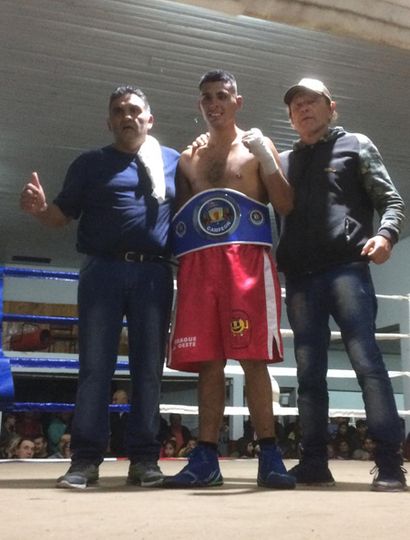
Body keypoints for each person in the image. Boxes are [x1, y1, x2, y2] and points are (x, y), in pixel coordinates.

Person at [20, 85, 179, 489]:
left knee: (148, 371)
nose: (127, 116)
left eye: (134, 109)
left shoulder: (174, 162)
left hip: (153, 274)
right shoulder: (90, 164)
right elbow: (60, 217)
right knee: (94, 369)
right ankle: (85, 461)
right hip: (102, 273)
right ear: (108, 121)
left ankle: (145, 460)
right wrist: (40, 210)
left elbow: (195, 211)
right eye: (118, 110)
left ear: (149, 118)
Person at [164, 70, 295, 489]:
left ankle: (270, 456)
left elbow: (286, 205)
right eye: (207, 97)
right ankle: (205, 458)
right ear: (199, 104)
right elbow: (183, 221)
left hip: (247, 265)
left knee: (253, 358)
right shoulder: (190, 158)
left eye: (222, 95)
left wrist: (268, 158)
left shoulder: (257, 148)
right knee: (208, 361)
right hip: (202, 267)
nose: (214, 103)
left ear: (237, 101)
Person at [277, 77, 407, 492]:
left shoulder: (356, 144)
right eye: (296, 104)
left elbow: (391, 200)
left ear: (332, 107)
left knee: (367, 362)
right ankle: (313, 462)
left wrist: (386, 235)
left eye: (311, 100)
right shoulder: (282, 162)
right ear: (291, 116)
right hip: (300, 277)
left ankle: (390, 465)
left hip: (348, 269)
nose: (303, 107)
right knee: (308, 373)